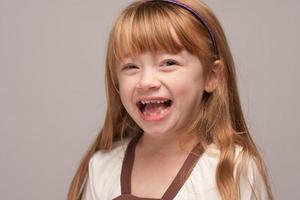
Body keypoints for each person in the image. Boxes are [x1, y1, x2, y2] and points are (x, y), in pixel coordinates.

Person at [68, 0, 274, 199]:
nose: (146, 81)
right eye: (131, 67)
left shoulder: (233, 169)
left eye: (168, 63)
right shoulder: (102, 168)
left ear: (212, 76)